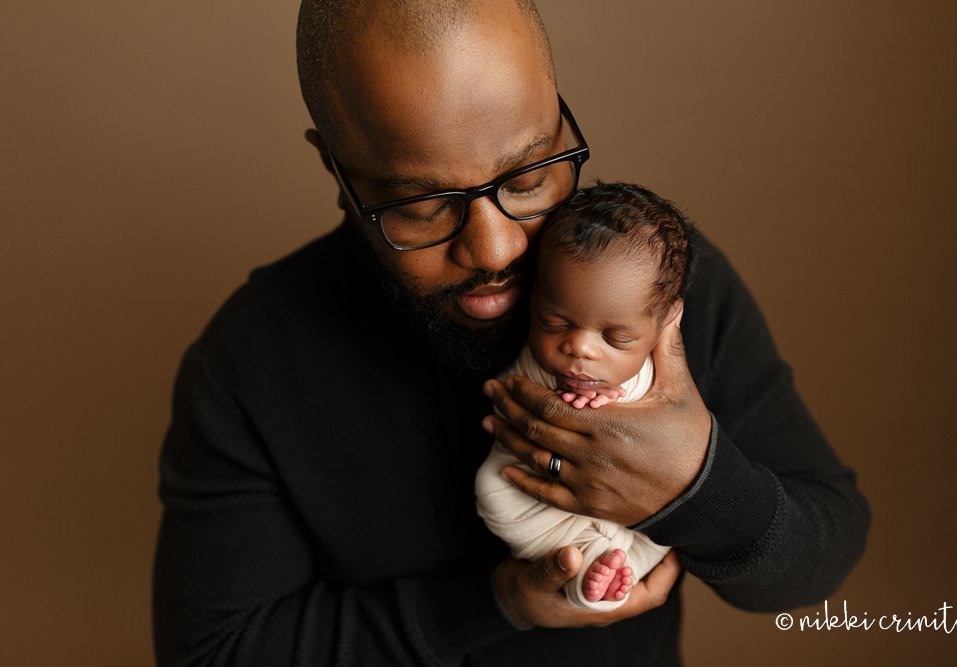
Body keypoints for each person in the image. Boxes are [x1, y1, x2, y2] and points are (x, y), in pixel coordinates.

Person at [153, 1, 871, 665]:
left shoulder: (644, 281)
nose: (495, 248)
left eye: (529, 177)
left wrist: (699, 484)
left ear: (561, 119)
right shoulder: (249, 364)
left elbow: (825, 547)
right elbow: (212, 652)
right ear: (335, 169)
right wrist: (500, 602)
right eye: (424, 207)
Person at [476, 182, 691, 612]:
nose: (580, 349)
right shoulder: (530, 349)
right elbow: (512, 386)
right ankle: (589, 571)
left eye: (615, 337)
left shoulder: (659, 375)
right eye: (554, 322)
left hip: (634, 505)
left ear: (665, 322)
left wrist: (618, 400)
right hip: (540, 501)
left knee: (660, 536)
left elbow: (661, 423)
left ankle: (603, 577)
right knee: (491, 491)